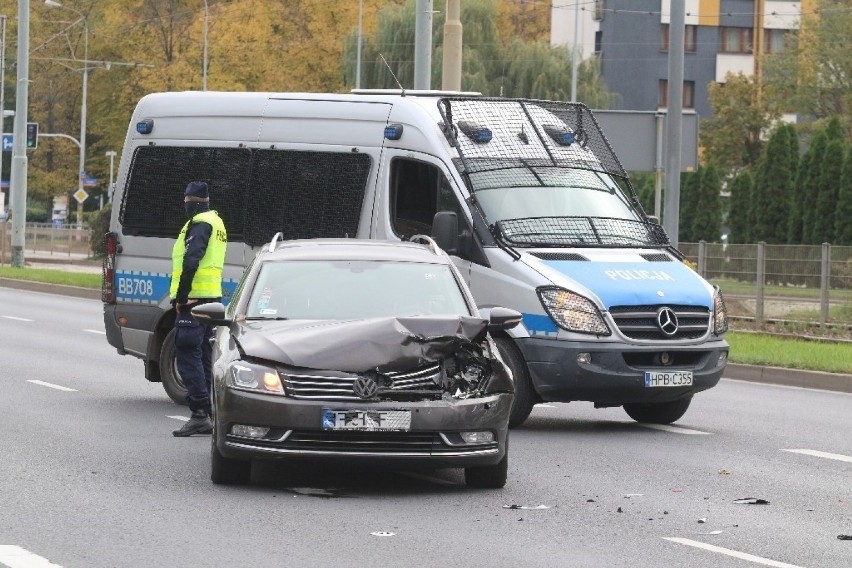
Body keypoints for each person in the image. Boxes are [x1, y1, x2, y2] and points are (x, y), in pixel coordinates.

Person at [170, 181, 227, 437]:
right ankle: (210, 410)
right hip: (210, 298)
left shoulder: (200, 223)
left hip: (194, 300)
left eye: (187, 200)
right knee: (203, 353)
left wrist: (182, 297)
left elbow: (192, 259)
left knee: (187, 353)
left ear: (191, 201)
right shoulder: (217, 222)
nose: (185, 204)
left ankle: (200, 413)